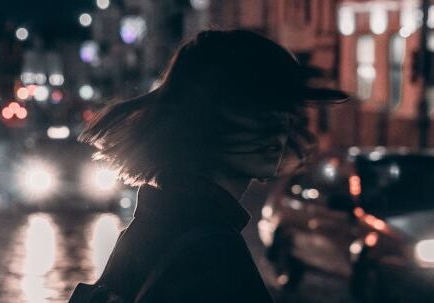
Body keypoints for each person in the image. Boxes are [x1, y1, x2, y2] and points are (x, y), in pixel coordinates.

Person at [68, 29, 348, 303]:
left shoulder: (161, 220)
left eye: (283, 107)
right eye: (252, 106)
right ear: (204, 115)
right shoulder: (211, 250)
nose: (277, 125)